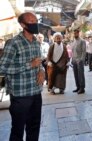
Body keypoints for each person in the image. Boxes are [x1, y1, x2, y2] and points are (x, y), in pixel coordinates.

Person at [0, 12, 45, 141]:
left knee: (34, 127)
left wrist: (41, 70)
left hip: (36, 92)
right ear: (22, 24)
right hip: (20, 96)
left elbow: (38, 63)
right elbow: (2, 68)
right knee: (17, 130)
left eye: (36, 20)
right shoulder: (13, 43)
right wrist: (29, 65)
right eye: (31, 21)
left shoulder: (36, 43)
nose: (35, 23)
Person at [71, 29, 86, 94]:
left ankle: (82, 88)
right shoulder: (73, 41)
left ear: (78, 33)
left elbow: (84, 51)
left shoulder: (82, 41)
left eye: (76, 33)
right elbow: (72, 51)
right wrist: (72, 59)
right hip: (74, 60)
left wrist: (81, 60)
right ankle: (78, 87)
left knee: (80, 75)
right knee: (75, 74)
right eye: (74, 33)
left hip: (79, 60)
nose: (75, 34)